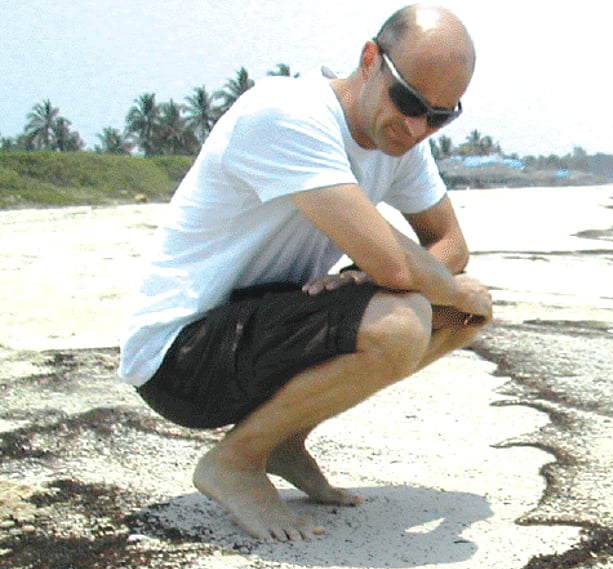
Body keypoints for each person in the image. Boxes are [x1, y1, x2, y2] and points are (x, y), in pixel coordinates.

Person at [118, 4, 491, 541]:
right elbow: (395, 263)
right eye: (408, 101)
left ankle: (283, 440)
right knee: (402, 320)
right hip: (181, 358)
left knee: (467, 311)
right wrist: (384, 271)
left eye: (440, 116)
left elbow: (450, 244)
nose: (416, 127)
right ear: (370, 60)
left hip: (259, 324)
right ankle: (235, 462)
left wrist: (368, 275)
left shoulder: (400, 141)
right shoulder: (287, 113)